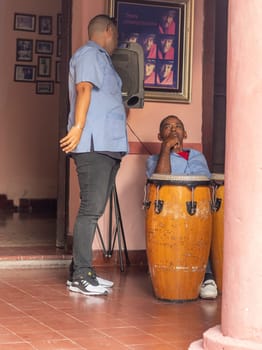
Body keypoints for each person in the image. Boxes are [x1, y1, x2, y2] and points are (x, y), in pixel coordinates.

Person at [60, 15, 128, 296]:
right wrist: (77, 127)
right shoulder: (89, 53)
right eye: (117, 35)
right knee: (90, 209)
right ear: (109, 30)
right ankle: (82, 275)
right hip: (93, 144)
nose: (117, 41)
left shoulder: (104, 60)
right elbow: (83, 88)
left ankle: (80, 270)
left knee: (95, 208)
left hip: (107, 144)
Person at [146, 115, 218, 299]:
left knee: (197, 236)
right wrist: (166, 150)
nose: (173, 129)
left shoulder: (196, 156)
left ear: (185, 133)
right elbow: (162, 178)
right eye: (167, 127)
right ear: (159, 135)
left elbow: (199, 180)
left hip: (193, 208)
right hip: (166, 212)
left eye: (178, 126)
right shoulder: (154, 159)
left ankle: (206, 276)